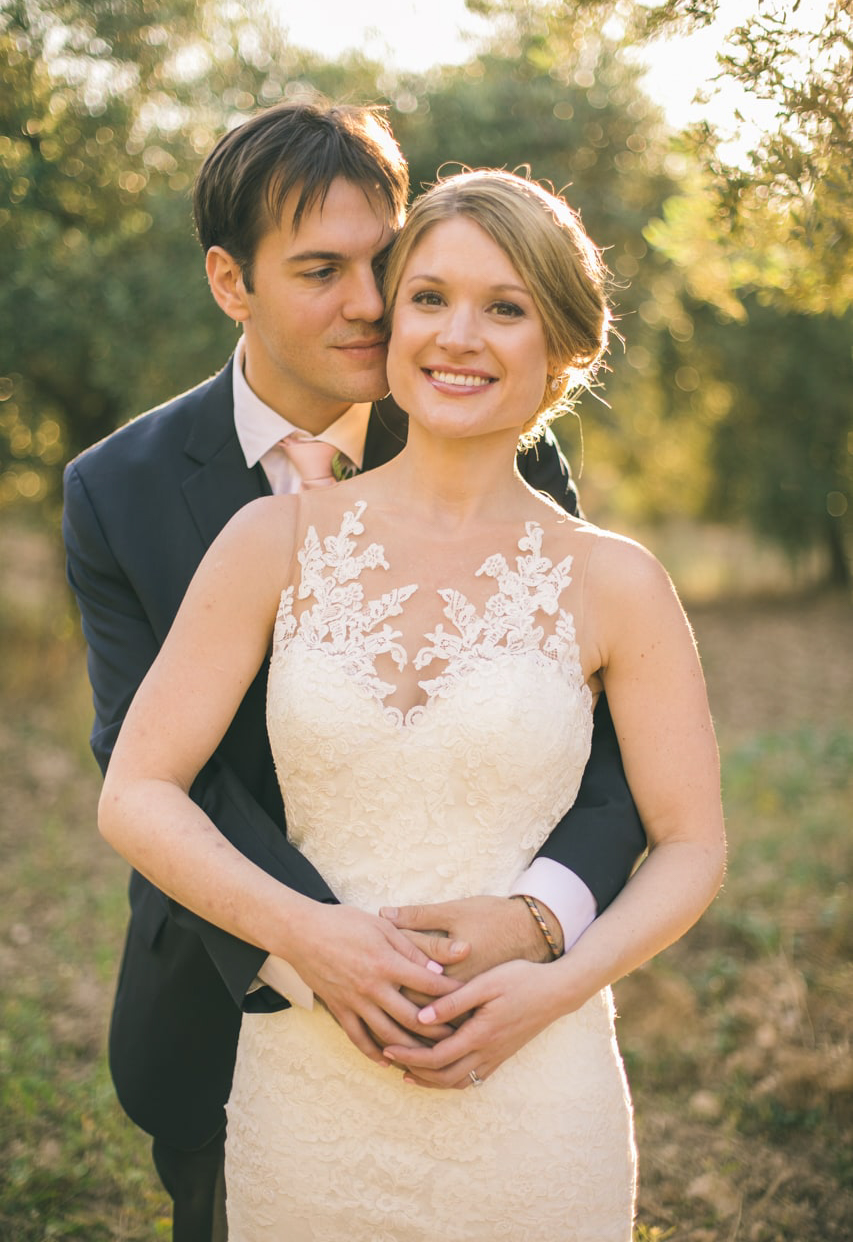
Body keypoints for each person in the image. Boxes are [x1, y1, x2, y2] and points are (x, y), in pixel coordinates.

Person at [98, 167, 726, 1240]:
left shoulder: (617, 580)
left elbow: (689, 844)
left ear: (560, 348)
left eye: (506, 306)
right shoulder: (274, 542)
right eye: (429, 297)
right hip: (309, 1087)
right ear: (391, 327)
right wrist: (310, 936)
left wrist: (554, 980)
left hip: (534, 1090)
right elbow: (138, 791)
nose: (458, 336)